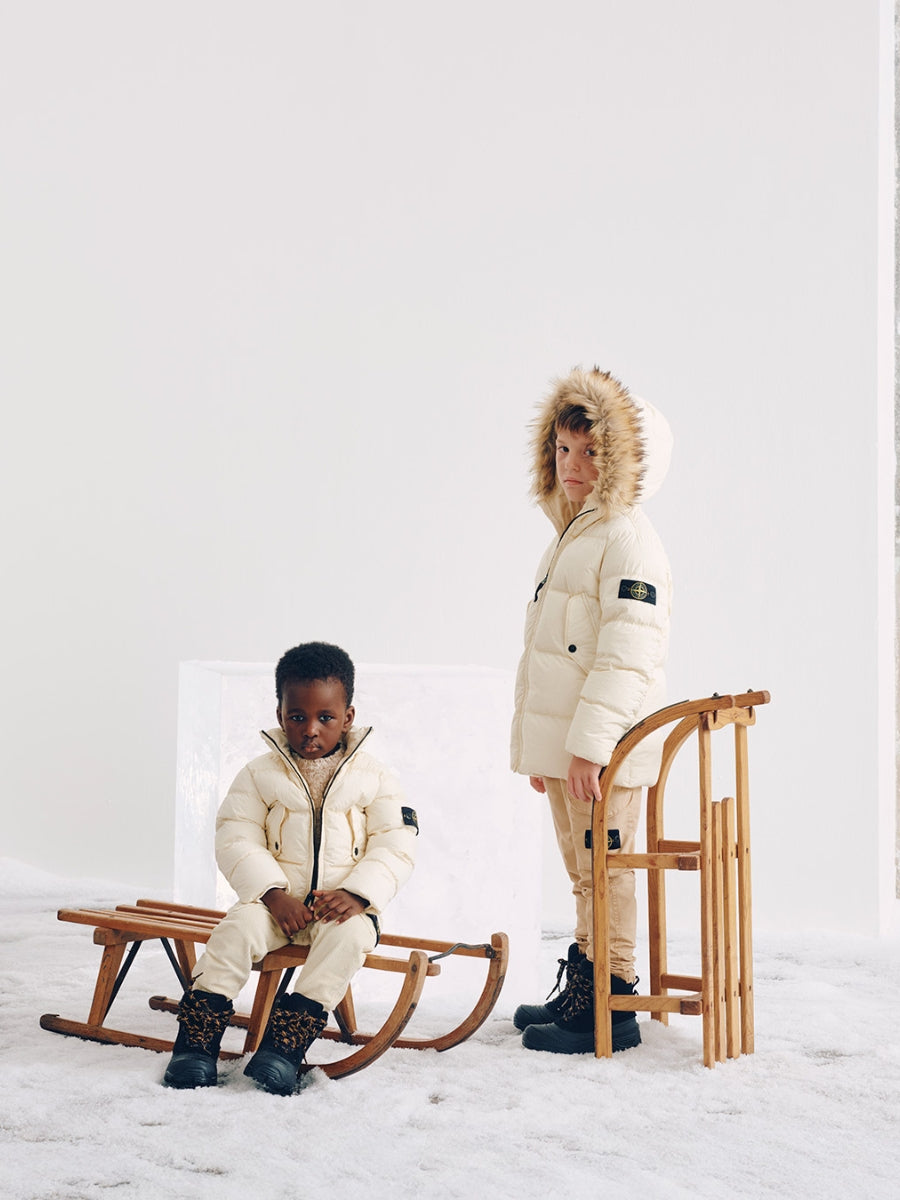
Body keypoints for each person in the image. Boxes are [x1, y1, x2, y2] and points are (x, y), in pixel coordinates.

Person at [164, 641, 418, 1094]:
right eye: (297, 716)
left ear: (348, 717)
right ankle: (195, 1044)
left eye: (326, 717)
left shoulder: (376, 778)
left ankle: (283, 1049)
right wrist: (272, 893)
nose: (310, 730)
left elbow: (396, 844)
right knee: (235, 932)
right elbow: (235, 836)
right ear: (280, 715)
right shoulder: (259, 774)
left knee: (348, 940)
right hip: (273, 905)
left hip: (339, 909)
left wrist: (357, 894)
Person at [510, 366, 673, 1054]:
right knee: (584, 875)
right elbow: (550, 655)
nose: (571, 465)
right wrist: (546, 752)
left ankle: (613, 1000)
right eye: (562, 449)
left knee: (606, 873)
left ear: (624, 462)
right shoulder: (574, 535)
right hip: (573, 749)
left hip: (602, 751)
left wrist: (589, 748)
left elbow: (626, 656)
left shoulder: (626, 538)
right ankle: (585, 988)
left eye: (590, 452)